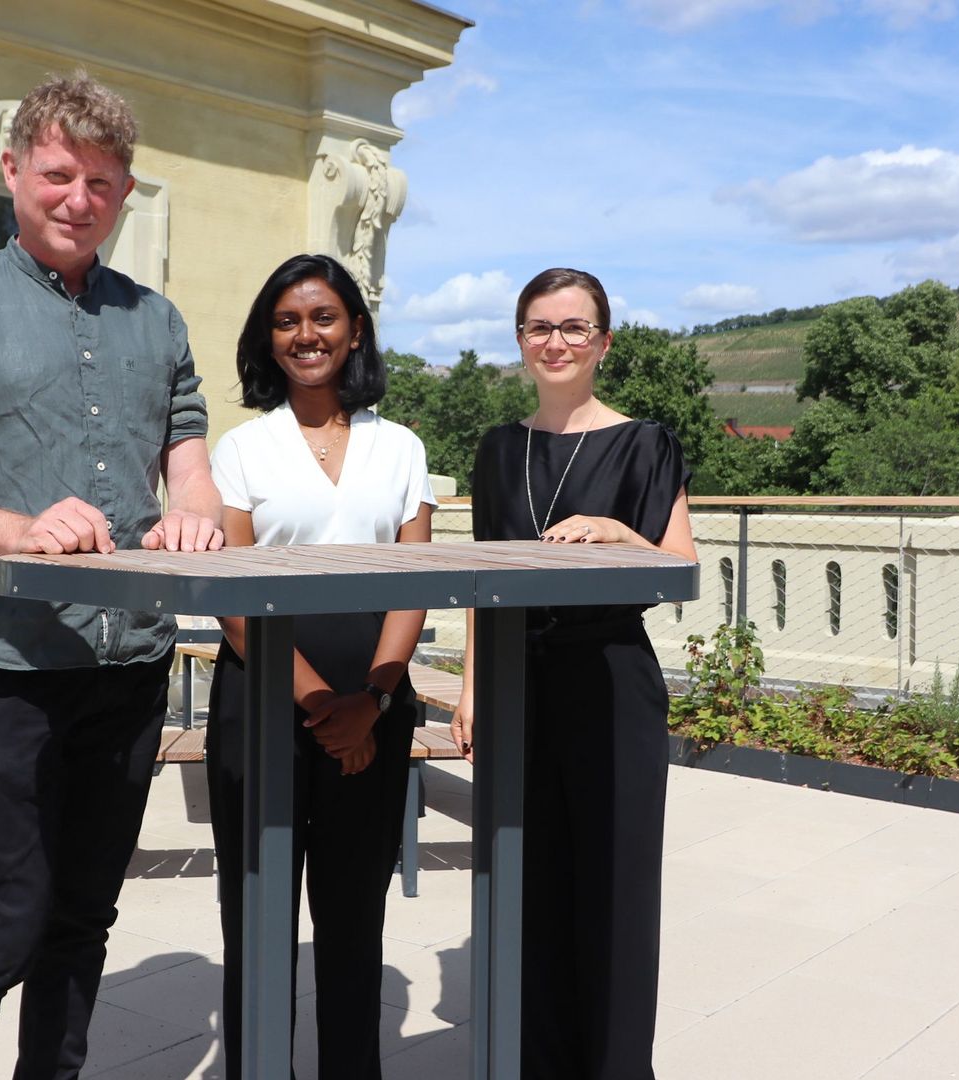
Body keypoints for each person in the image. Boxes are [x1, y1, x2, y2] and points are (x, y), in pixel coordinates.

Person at [0, 72, 224, 1080]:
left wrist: (191, 518)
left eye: (104, 184)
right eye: (59, 175)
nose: (80, 199)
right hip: (11, 670)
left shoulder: (157, 322)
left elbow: (191, 466)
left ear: (125, 193)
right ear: (14, 171)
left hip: (132, 670)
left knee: (83, 921)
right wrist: (24, 529)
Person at [449, 268, 695, 1080]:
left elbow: (680, 568)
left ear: (604, 343)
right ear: (519, 340)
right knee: (529, 880)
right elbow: (485, 585)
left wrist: (622, 532)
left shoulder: (646, 442)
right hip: (520, 684)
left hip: (610, 682)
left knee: (615, 888)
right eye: (538, 327)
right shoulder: (497, 448)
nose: (555, 342)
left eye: (573, 327)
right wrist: (473, 689)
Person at [204, 253, 435, 1077]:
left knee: (352, 918)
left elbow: (415, 582)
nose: (307, 334)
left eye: (324, 317)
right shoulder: (240, 448)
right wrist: (317, 704)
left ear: (356, 330)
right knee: (258, 915)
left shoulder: (401, 447)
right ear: (268, 340)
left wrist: (371, 699)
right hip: (264, 703)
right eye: (287, 321)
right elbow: (230, 593)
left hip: (376, 705)